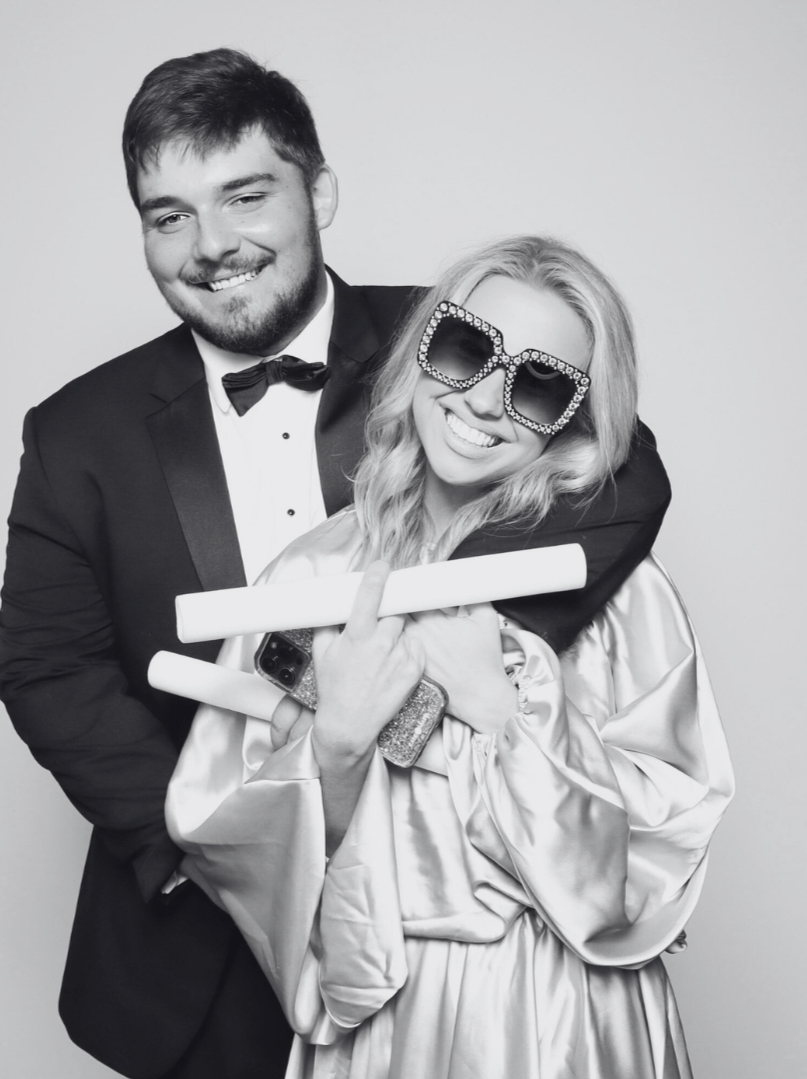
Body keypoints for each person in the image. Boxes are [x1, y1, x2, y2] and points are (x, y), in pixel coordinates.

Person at [0, 47, 670, 1079]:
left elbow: (619, 465)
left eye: (245, 194)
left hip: (457, 944)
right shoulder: (73, 431)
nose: (210, 243)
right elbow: (45, 663)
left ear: (319, 191)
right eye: (167, 212)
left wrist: (444, 653)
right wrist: (221, 843)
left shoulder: (453, 344)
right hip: (195, 957)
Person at [167, 236, 734, 1079]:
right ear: (421, 349)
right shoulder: (309, 578)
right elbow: (221, 836)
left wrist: (502, 707)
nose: (485, 398)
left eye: (539, 384)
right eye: (467, 347)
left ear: (574, 416)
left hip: (564, 1008)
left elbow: (663, 839)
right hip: (390, 1012)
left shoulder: (616, 592)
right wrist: (336, 751)